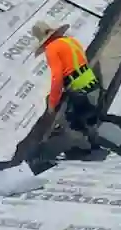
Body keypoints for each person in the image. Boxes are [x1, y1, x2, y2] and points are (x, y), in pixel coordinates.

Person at [31, 21, 102, 153]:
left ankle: (83, 147)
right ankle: (94, 143)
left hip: (79, 89)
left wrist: (52, 103)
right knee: (89, 117)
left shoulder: (51, 49)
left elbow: (57, 78)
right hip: (92, 82)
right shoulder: (70, 40)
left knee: (71, 121)